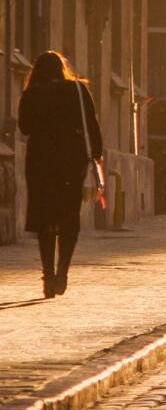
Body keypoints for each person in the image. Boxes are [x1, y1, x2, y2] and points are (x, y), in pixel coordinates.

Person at [18, 50, 103, 298]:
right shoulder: (77, 91)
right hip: (71, 162)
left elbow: (24, 128)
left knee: (45, 219)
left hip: (41, 163)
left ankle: (48, 275)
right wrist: (96, 156)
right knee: (68, 217)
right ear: (62, 68)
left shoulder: (32, 93)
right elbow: (91, 124)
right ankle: (63, 271)